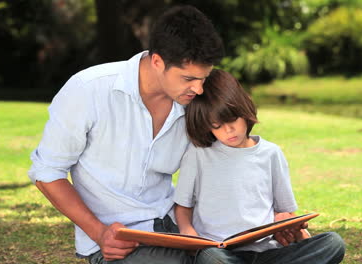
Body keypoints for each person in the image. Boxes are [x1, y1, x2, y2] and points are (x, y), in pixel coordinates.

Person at [28, 5, 224, 264]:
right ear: (157, 62)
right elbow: (47, 172)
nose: (199, 89)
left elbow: (219, 164)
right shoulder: (88, 90)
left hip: (179, 229)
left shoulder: (193, 102)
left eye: (204, 78)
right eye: (189, 78)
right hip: (120, 241)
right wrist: (100, 234)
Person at [174, 69, 346, 264]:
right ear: (206, 126)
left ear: (243, 109)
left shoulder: (271, 154)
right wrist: (189, 235)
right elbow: (182, 207)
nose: (228, 130)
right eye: (216, 125)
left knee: (333, 243)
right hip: (219, 253)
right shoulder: (198, 154)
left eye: (231, 119)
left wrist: (297, 234)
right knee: (211, 259)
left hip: (267, 252)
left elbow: (285, 213)